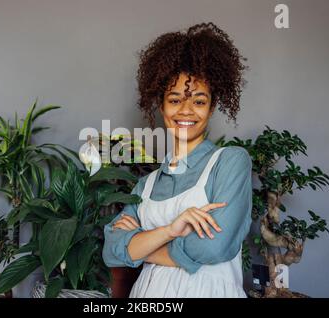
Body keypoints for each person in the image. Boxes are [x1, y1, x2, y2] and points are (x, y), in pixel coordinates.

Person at [102, 22, 252, 298]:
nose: (186, 111)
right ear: (161, 105)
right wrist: (172, 229)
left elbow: (214, 247)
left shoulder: (230, 162)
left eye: (198, 101)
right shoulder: (145, 186)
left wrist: (141, 248)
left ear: (212, 106)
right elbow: (112, 251)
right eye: (174, 100)